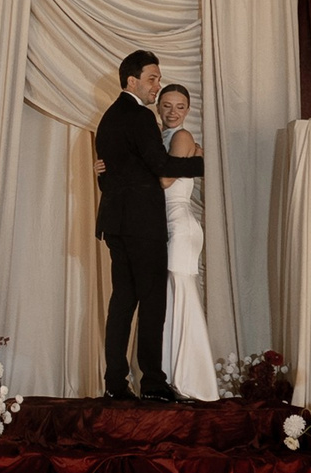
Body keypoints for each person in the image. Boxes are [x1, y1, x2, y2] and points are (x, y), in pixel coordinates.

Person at [93, 49, 205, 401]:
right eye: (152, 78)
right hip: (143, 225)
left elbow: (110, 177)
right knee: (153, 303)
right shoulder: (140, 116)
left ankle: (115, 383)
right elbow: (161, 167)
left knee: (122, 303)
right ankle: (153, 383)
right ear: (132, 81)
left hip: (115, 224)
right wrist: (203, 163)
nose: (157, 85)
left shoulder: (107, 119)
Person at [153, 84, 218, 401]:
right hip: (167, 225)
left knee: (181, 297)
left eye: (180, 106)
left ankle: (192, 381)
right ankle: (173, 377)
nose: (173, 112)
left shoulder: (181, 137)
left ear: (188, 110)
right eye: (167, 105)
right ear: (158, 107)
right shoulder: (161, 138)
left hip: (180, 225)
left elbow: (165, 180)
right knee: (169, 299)